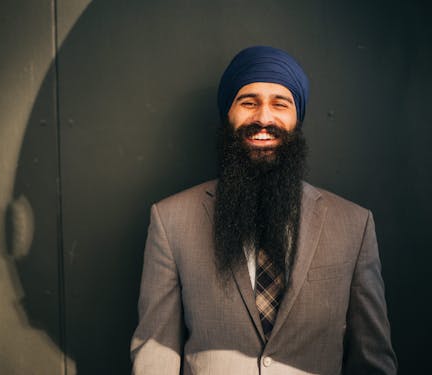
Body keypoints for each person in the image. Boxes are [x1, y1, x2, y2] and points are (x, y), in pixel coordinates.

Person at [130, 46, 397, 375]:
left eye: (280, 104)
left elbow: (372, 360)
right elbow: (155, 354)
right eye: (249, 102)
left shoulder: (354, 225)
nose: (264, 118)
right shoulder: (170, 220)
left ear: (297, 117)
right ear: (227, 114)